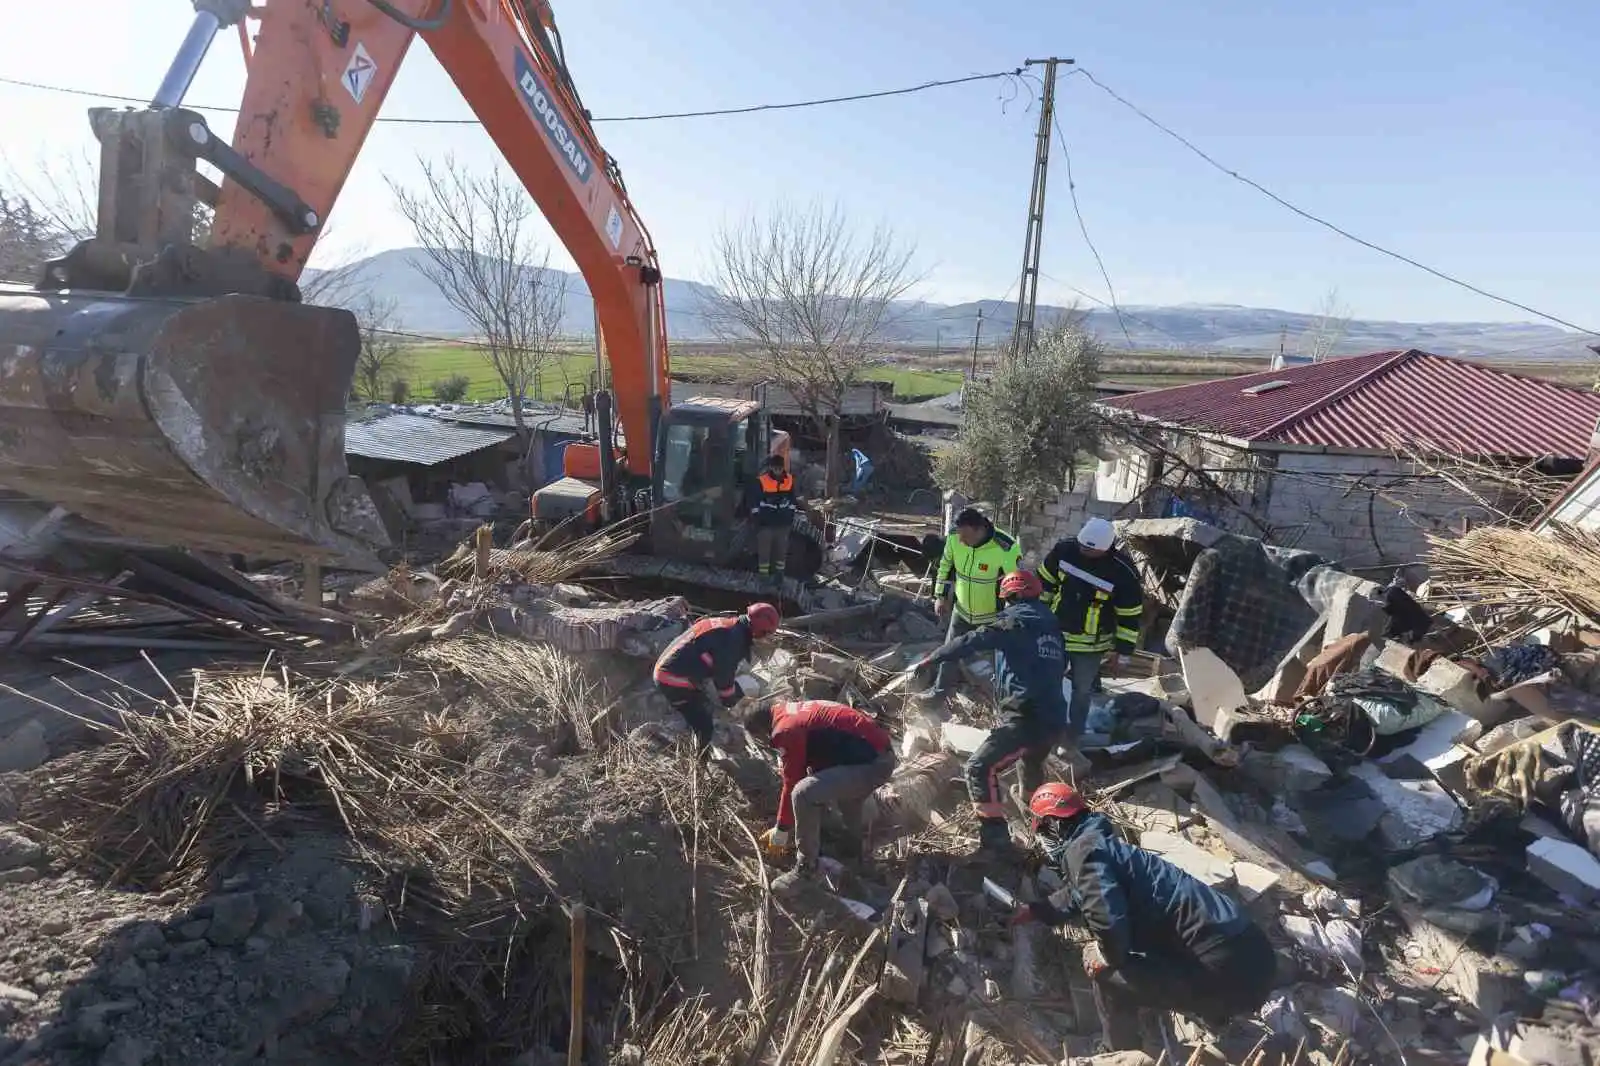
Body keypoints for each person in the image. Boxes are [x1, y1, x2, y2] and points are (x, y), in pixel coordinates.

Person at [1013, 783, 1277, 1050]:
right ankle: (1217, 1017)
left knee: (1106, 974)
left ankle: (1117, 1053)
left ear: (1055, 826)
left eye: (1044, 830)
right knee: (1149, 957)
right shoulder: (1105, 848)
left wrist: (1105, 955)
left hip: (1226, 971)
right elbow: (1083, 893)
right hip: (1254, 955)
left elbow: (1107, 920)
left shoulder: (1081, 851)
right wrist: (1038, 910)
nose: (1045, 840)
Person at [912, 570, 1065, 855]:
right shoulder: (1052, 627)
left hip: (1026, 717)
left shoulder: (1013, 621)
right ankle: (1045, 832)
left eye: (1005, 599)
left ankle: (996, 845)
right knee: (1029, 765)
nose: (1003, 604)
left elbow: (972, 640)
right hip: (1053, 719)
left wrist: (933, 658)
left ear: (1013, 596)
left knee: (979, 767)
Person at [743, 699, 896, 896]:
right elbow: (822, 751)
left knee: (804, 793)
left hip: (874, 764)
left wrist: (781, 830)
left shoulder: (785, 729)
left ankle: (807, 869)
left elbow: (792, 784)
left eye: (759, 737)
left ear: (762, 729)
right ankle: (854, 851)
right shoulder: (791, 711)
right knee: (841, 797)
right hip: (872, 756)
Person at [1037, 517, 1143, 739]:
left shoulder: (1123, 573)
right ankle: (1045, 731)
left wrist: (1122, 653)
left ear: (1105, 549)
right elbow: (1044, 584)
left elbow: (1129, 617)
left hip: (1091, 645)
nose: (1083, 550)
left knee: (1082, 692)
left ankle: (1072, 737)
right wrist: (1037, 619)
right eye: (1082, 545)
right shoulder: (1065, 550)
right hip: (1056, 635)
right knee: (1047, 684)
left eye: (1089, 549)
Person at [653, 602, 780, 756]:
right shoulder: (733, 643)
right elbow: (724, 681)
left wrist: (736, 698)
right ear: (757, 630)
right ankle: (699, 761)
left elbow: (722, 674)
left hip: (670, 666)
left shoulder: (730, 626)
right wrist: (734, 705)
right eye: (765, 634)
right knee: (704, 725)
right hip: (671, 679)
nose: (765, 638)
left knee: (715, 698)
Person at [930, 507, 1022, 694]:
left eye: (966, 536)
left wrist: (1009, 618)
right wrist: (940, 596)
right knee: (949, 653)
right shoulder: (955, 537)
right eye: (959, 536)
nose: (961, 541)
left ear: (979, 529)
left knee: (991, 665)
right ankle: (938, 694)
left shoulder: (1005, 547)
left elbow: (1015, 585)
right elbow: (945, 566)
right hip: (961, 612)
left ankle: (995, 702)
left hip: (991, 619)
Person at [749, 453, 797, 585]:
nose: (777, 471)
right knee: (764, 551)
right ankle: (763, 576)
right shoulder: (762, 481)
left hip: (783, 522)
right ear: (770, 467)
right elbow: (754, 502)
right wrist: (757, 519)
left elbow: (793, 500)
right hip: (766, 523)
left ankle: (779, 575)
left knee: (781, 551)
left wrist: (790, 515)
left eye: (779, 468)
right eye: (775, 468)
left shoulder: (789, 480)